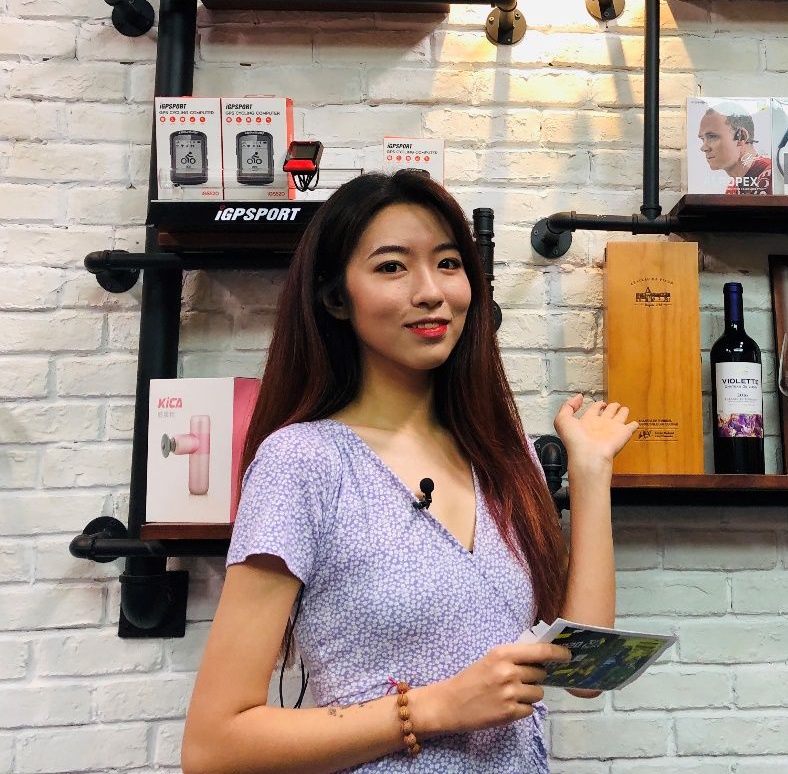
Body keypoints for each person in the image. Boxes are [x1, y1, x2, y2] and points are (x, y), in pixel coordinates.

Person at [182, 170, 638, 774]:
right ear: (335, 298)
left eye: (448, 264)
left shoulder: (503, 456)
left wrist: (591, 471)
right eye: (392, 267)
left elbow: (582, 675)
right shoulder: (304, 462)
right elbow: (214, 747)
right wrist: (433, 708)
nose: (431, 292)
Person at [697, 103, 772, 195]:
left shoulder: (773, 176)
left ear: (741, 137)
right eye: (702, 139)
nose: (703, 148)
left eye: (712, 136)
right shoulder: (733, 188)